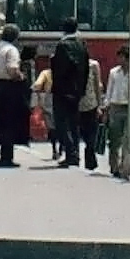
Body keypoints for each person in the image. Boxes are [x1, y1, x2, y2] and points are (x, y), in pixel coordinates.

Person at [0, 24, 26, 168]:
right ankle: (6, 157)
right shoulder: (11, 50)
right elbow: (12, 69)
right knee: (8, 123)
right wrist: (21, 76)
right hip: (8, 88)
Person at [50, 17, 90, 168]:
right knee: (74, 123)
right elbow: (86, 68)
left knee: (61, 123)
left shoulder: (62, 45)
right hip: (77, 90)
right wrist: (82, 88)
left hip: (62, 90)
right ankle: (76, 154)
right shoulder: (82, 44)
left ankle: (70, 153)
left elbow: (60, 69)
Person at [103, 46, 130, 178]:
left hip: (129, 108)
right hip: (115, 107)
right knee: (114, 140)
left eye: (120, 57)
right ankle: (114, 167)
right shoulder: (114, 72)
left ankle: (125, 168)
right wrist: (106, 108)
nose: (118, 60)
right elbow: (109, 91)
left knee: (127, 140)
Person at [77, 55, 104, 171]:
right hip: (77, 104)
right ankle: (84, 157)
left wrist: (99, 105)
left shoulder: (93, 65)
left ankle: (90, 159)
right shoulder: (75, 65)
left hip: (91, 103)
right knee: (83, 133)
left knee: (92, 134)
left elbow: (98, 85)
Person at [31, 65, 59, 160]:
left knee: (51, 126)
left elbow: (37, 85)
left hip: (50, 98)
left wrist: (37, 94)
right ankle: (63, 147)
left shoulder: (46, 73)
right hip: (64, 97)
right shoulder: (66, 70)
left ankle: (55, 149)